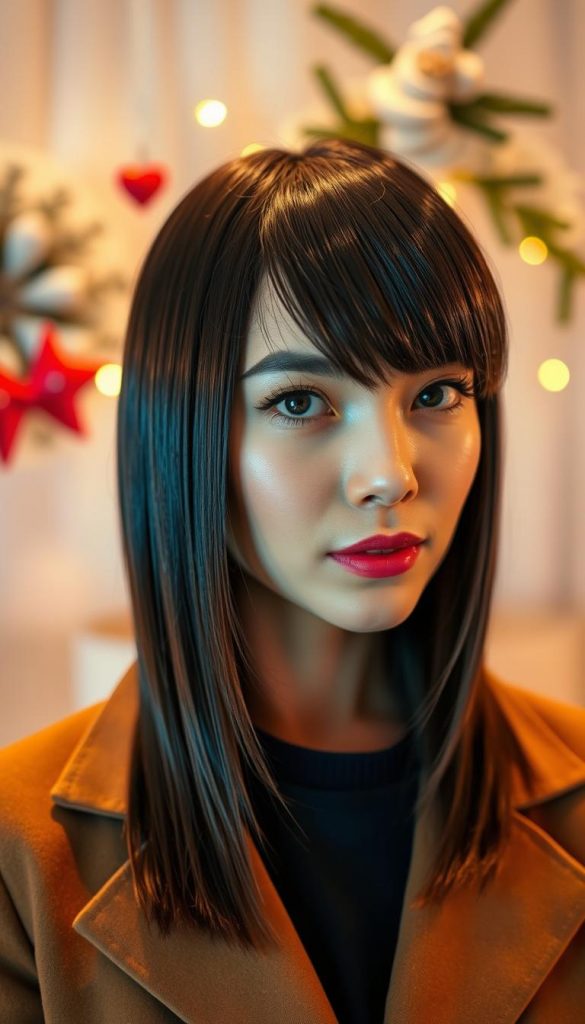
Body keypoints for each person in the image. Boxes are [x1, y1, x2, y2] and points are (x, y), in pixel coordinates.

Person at [1, 137, 584, 1024]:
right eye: (300, 402)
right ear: (184, 429)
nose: (388, 474)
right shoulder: (16, 852)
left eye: (434, 394)